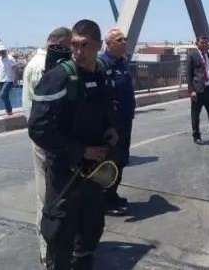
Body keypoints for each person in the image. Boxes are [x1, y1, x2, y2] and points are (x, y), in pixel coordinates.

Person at [28, 19, 115, 270]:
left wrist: (110, 130)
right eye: (75, 44)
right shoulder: (58, 78)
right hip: (65, 172)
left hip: (94, 172)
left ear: (98, 46)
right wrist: (81, 150)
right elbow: (38, 129)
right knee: (60, 231)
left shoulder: (100, 73)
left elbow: (106, 109)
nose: (78, 51)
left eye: (85, 45)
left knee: (91, 226)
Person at [21, 26, 73, 266]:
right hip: (50, 141)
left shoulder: (33, 63)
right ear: (61, 43)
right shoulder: (49, 67)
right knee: (49, 197)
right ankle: (49, 250)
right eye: (71, 44)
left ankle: (50, 249)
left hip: (39, 136)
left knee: (47, 195)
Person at [101, 27, 137, 216]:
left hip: (125, 120)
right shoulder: (103, 64)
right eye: (120, 39)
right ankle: (105, 200)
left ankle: (113, 194)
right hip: (112, 124)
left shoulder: (122, 62)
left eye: (125, 39)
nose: (124, 42)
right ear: (109, 44)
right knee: (111, 161)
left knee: (121, 159)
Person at [187, 35, 209, 144]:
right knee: (196, 115)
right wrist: (191, 90)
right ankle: (196, 136)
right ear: (197, 43)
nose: (205, 45)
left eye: (206, 43)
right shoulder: (192, 55)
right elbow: (188, 74)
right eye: (202, 43)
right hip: (198, 90)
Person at [0, 44, 17, 115]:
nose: (1, 53)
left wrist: (15, 79)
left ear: (5, 51)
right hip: (2, 80)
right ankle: (9, 111)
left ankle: (9, 109)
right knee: (6, 96)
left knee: (2, 94)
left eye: (2, 51)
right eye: (0, 51)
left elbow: (15, 69)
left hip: (9, 79)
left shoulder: (10, 58)